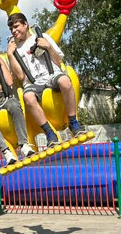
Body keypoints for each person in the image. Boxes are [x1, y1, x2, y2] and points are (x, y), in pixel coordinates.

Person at [6, 12, 86, 146]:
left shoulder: (42, 37)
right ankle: (50, 133)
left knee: (65, 81)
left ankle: (73, 122)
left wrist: (47, 46)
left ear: (26, 25)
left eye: (16, 26)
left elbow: (58, 60)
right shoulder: (15, 50)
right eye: (11, 29)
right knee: (28, 97)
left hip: (51, 74)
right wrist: (10, 54)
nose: (14, 31)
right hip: (34, 83)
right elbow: (20, 76)